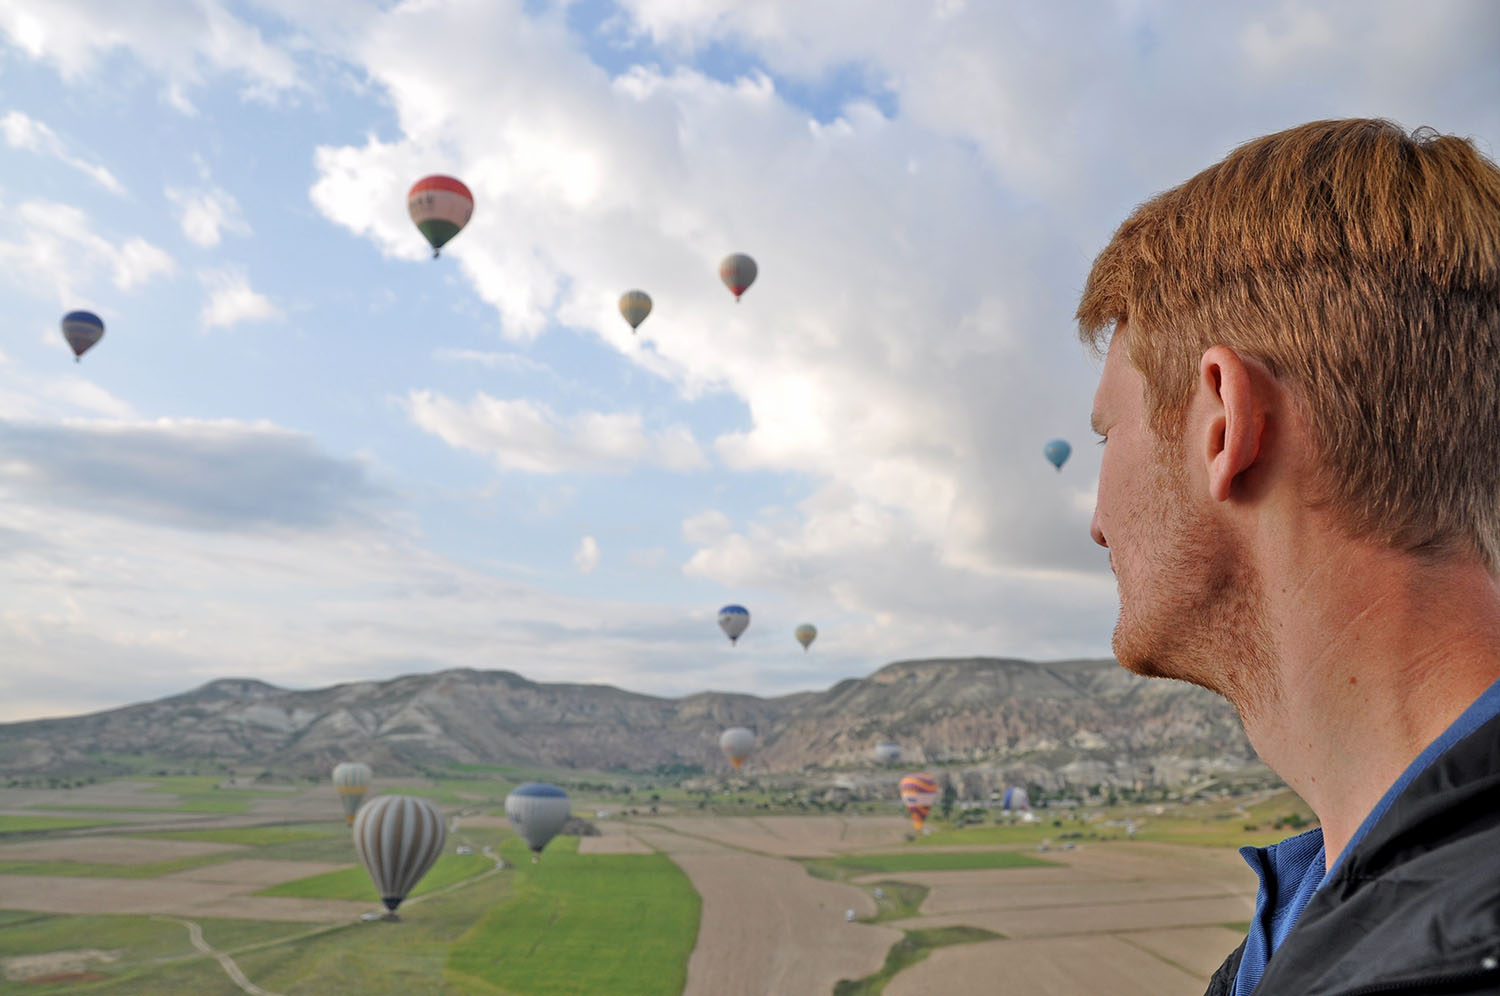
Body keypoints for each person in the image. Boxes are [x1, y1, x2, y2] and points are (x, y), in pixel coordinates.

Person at [1076, 118, 1500, 995]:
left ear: (1225, 424)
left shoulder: (1445, 960)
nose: (1097, 525)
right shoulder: (1329, 908)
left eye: (1108, 435)